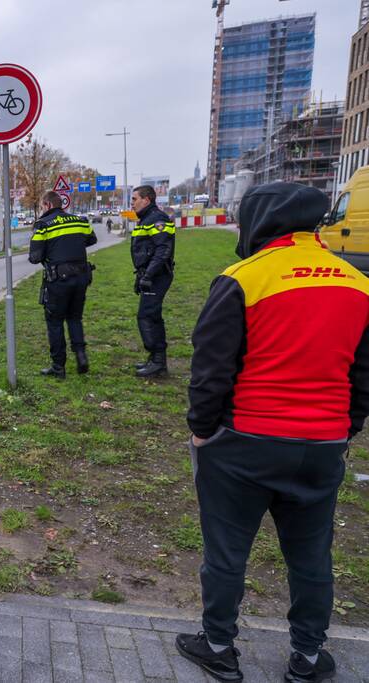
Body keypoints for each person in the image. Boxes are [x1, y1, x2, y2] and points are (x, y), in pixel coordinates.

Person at [177, 182, 369, 683]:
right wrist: (343, 430)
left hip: (245, 444)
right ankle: (306, 658)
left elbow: (211, 370)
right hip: (323, 445)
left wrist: (201, 431)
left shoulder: (244, 278)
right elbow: (364, 377)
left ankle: (218, 646)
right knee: (311, 556)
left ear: (260, 221)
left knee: (226, 551)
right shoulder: (358, 282)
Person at [28, 191, 97, 378]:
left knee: (55, 322)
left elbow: (34, 257)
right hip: (82, 277)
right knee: (75, 318)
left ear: (48, 205)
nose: (42, 209)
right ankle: (81, 356)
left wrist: (51, 249)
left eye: (42, 206)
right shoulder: (79, 220)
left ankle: (58, 367)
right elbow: (92, 239)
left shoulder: (43, 225)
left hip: (58, 281)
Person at [130, 185, 176, 377]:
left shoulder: (157, 219)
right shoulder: (146, 219)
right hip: (150, 274)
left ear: (146, 200)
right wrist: (141, 275)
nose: (131, 203)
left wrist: (148, 275)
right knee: (151, 315)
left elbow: (163, 250)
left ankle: (158, 362)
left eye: (134, 199)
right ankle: (156, 359)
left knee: (147, 316)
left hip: (157, 276)